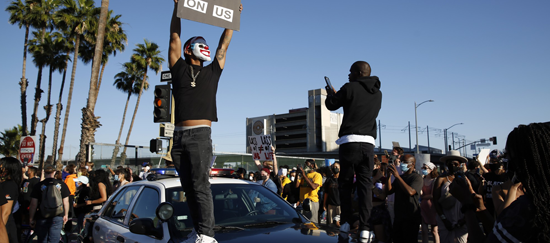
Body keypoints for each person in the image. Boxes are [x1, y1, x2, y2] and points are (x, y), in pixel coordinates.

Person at [168, 2, 242, 242]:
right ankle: (198, 230)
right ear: (190, 50)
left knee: (200, 186)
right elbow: (174, 37)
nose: (206, 47)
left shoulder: (212, 72)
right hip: (178, 138)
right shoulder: (178, 68)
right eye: (200, 43)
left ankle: (208, 236)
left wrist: (232, 18)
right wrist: (177, 8)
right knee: (188, 189)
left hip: (200, 136)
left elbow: (223, 46)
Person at [450, 122, 550, 243]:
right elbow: (499, 231)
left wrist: (467, 205)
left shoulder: (527, 209)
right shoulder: (541, 200)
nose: (506, 162)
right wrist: (481, 209)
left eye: (508, 156)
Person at [325, 61, 382, 241]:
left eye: (350, 72)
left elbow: (332, 105)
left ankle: (346, 222)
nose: (348, 75)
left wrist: (330, 94)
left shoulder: (350, 87)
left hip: (349, 143)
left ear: (358, 73)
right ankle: (365, 228)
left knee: (346, 183)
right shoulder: (378, 93)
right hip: (368, 145)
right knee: (365, 187)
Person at [385, 154, 423, 243]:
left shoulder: (416, 177)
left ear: (412, 164)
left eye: (405, 162)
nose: (402, 164)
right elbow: (389, 191)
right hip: (398, 216)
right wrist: (388, 177)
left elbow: (411, 192)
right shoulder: (401, 177)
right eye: (401, 161)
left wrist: (397, 176)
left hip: (411, 217)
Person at [29, 163, 70, 243]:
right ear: (54, 172)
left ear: (44, 172)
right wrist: (66, 214)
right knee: (54, 240)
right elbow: (66, 202)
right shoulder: (62, 185)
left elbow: (33, 204)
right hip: (57, 216)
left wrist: (31, 218)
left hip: (42, 216)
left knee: (42, 240)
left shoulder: (38, 185)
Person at [433, 150, 468, 243]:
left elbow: (470, 198)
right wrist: (444, 219)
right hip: (446, 218)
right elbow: (435, 201)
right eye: (450, 163)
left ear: (460, 164)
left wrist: (464, 219)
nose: (453, 165)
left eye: (455, 163)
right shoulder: (441, 179)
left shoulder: (465, 179)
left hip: (461, 218)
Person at [0, 157, 23, 243]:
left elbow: (5, 212)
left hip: (7, 228)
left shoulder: (9, 185)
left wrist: (2, 232)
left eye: (1, 165)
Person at [369, 162, 392, 243]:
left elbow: (382, 196)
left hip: (378, 210)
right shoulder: (368, 179)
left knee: (380, 238)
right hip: (368, 210)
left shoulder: (384, 180)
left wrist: (372, 185)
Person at [296, 159, 322, 225]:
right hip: (302, 202)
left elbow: (313, 187)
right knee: (302, 224)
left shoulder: (317, 175)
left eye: (306, 164)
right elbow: (296, 186)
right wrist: (297, 174)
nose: (305, 166)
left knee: (311, 224)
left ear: (312, 165)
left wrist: (304, 176)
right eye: (304, 164)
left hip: (311, 202)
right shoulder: (303, 175)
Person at [420, 161, 440, 243]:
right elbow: (420, 192)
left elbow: (432, 195)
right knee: (424, 230)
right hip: (423, 207)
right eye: (423, 168)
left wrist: (423, 197)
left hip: (432, 207)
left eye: (425, 168)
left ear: (431, 169)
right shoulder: (423, 179)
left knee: (434, 231)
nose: (423, 169)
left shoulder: (435, 180)